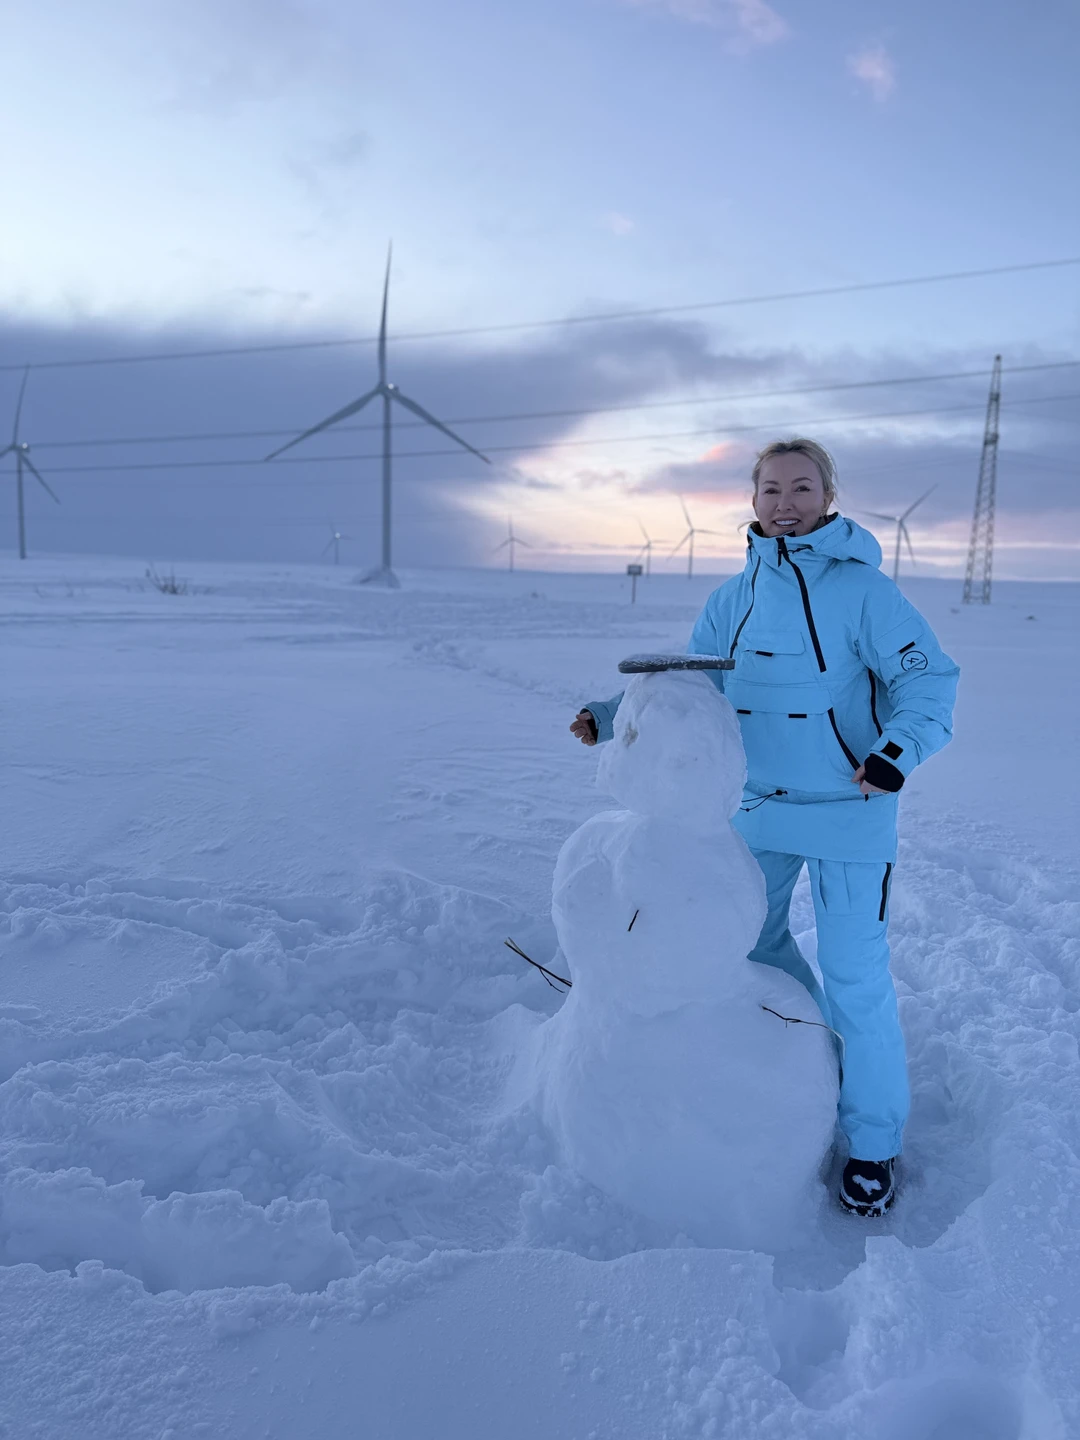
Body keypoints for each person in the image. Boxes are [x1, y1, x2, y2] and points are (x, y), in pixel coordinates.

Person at [570, 438, 959, 1218]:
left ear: (828, 497)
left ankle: (873, 1140)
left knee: (855, 972)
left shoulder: (865, 593)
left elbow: (930, 680)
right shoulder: (733, 597)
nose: (786, 502)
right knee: (748, 948)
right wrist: (612, 717)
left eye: (802, 487)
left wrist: (895, 753)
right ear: (753, 501)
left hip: (850, 809)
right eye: (772, 489)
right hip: (759, 809)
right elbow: (694, 690)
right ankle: (797, 1071)